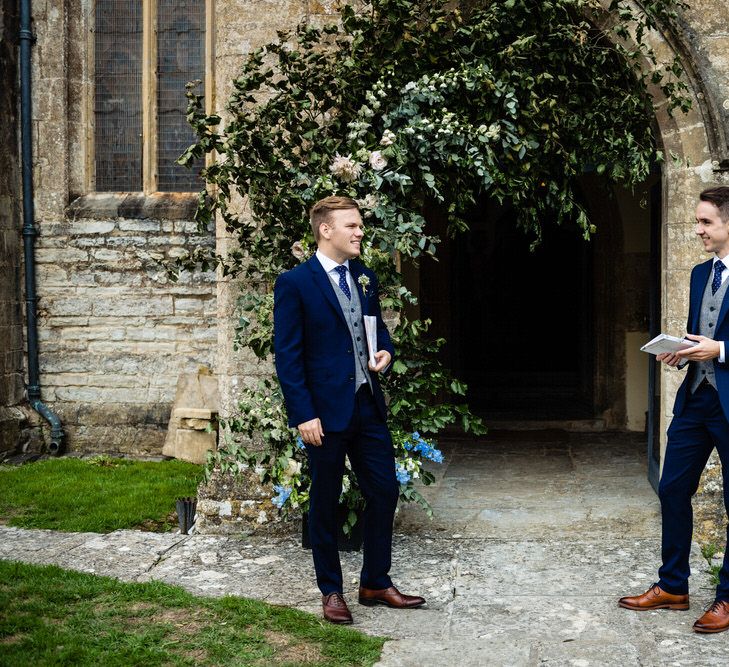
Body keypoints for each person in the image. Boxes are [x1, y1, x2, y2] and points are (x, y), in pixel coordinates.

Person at [273, 195, 425, 624]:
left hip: (366, 405)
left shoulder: (364, 277)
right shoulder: (295, 283)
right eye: (352, 226)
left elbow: (379, 335)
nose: (360, 232)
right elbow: (288, 356)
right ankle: (331, 590)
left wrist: (386, 356)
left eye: (359, 225)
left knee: (384, 490)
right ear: (326, 230)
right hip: (322, 413)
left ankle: (375, 581)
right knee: (324, 500)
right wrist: (304, 414)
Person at [619, 186, 729, 633]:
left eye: (706, 222)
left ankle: (726, 599)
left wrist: (719, 349)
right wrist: (681, 351)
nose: (698, 230)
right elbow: (696, 333)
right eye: (698, 222)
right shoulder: (701, 274)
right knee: (671, 489)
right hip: (696, 400)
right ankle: (673, 587)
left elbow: (717, 343)